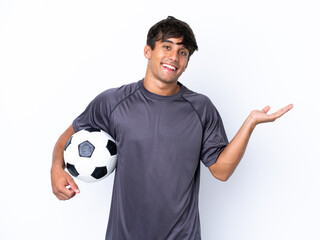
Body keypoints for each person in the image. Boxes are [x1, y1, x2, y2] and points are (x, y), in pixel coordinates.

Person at [51, 16, 293, 240]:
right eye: (167, 47)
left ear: (186, 63)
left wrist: (249, 124)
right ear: (148, 51)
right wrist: (56, 168)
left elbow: (221, 171)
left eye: (183, 52)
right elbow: (69, 136)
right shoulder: (113, 102)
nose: (174, 57)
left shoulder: (201, 108)